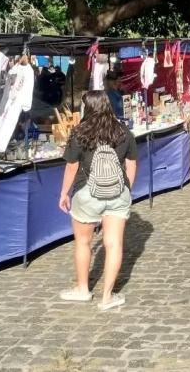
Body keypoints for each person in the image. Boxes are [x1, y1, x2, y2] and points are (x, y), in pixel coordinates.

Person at [58, 91, 138, 311]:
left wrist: (64, 193)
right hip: (117, 193)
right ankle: (107, 297)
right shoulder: (123, 131)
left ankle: (83, 289)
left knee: (83, 242)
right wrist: (127, 187)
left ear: (88, 108)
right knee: (113, 244)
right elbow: (132, 163)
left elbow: (72, 166)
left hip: (87, 193)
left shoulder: (79, 133)